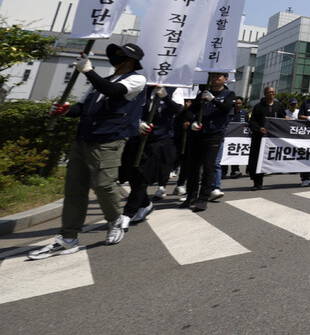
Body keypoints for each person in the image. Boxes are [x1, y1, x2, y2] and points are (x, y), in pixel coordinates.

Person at [30, 43, 147, 259]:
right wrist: (67, 110)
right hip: (83, 138)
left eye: (122, 55)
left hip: (110, 139)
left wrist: (88, 71)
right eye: (115, 53)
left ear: (131, 61)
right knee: (74, 190)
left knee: (104, 184)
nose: (116, 57)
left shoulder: (137, 79)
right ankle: (68, 238)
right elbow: (82, 108)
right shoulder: (101, 82)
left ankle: (114, 221)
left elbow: (112, 92)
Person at [122, 85, 183, 225]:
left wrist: (165, 97)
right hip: (135, 136)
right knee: (131, 174)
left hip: (159, 140)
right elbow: (127, 108)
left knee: (142, 176)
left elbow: (177, 109)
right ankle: (144, 203)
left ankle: (126, 214)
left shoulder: (173, 89)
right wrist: (136, 123)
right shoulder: (140, 87)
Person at [180, 72, 234, 212]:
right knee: (193, 167)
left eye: (218, 77)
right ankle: (190, 196)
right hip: (198, 134)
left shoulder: (229, 94)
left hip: (214, 135)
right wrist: (191, 122)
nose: (215, 79)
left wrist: (213, 100)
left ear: (225, 79)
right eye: (213, 76)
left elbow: (227, 109)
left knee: (209, 167)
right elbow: (190, 111)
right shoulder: (203, 94)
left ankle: (203, 198)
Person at [248, 86, 284, 191]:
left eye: (272, 92)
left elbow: (282, 119)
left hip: (273, 139)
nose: (271, 94)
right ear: (264, 94)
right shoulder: (258, 107)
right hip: (260, 138)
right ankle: (257, 183)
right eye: (269, 92)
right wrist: (259, 128)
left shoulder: (278, 106)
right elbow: (252, 121)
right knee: (257, 160)